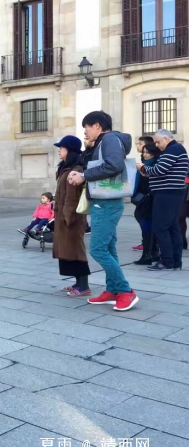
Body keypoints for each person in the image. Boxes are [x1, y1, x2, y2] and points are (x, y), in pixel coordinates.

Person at [68, 111, 138, 311]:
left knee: (98, 249)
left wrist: (85, 175)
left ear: (97, 125)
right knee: (108, 248)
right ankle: (113, 290)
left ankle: (125, 291)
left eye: (86, 128)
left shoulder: (109, 139)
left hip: (107, 203)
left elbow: (114, 165)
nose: (85, 132)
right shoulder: (104, 142)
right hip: (104, 201)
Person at [138, 129, 189, 271]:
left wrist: (143, 168)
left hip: (167, 193)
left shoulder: (173, 150)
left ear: (166, 139)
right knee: (172, 227)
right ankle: (175, 261)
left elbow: (159, 170)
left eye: (158, 141)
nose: (156, 144)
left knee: (160, 227)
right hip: (171, 193)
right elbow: (165, 171)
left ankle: (167, 261)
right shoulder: (176, 149)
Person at [52, 136, 91, 297]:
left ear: (69, 150)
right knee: (68, 250)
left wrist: (68, 217)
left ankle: (84, 286)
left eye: (61, 148)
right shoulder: (65, 168)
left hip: (71, 217)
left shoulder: (76, 170)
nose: (59, 150)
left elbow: (72, 197)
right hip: (63, 216)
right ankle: (77, 282)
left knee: (76, 250)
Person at [132, 143, 162, 266]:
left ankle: (147, 254)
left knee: (147, 225)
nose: (145, 154)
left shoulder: (153, 166)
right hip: (144, 199)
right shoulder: (142, 165)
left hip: (149, 200)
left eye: (148, 152)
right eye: (144, 152)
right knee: (147, 225)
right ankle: (154, 252)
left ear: (154, 153)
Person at [132, 136, 154, 251]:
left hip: (146, 196)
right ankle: (147, 244)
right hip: (141, 194)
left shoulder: (151, 163)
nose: (138, 146)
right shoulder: (144, 161)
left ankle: (149, 246)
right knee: (141, 216)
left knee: (144, 218)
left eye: (140, 144)